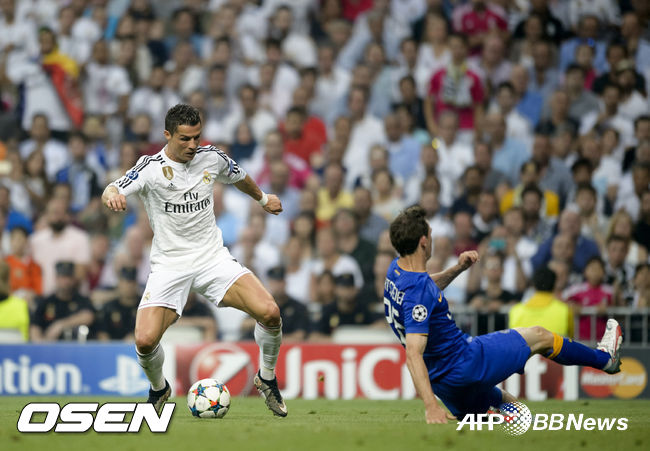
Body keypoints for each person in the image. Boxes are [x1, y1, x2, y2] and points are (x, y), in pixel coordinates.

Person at [101, 104, 287, 417]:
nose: (192, 145)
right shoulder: (150, 168)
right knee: (145, 340)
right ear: (167, 135)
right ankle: (159, 387)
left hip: (212, 258)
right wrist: (113, 197)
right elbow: (112, 188)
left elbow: (239, 176)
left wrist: (263, 198)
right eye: (184, 139)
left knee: (270, 312)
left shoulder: (211, 157)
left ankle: (266, 378)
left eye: (196, 137)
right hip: (170, 265)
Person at [384, 206, 622, 424]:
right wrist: (430, 407)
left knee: (513, 410)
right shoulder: (418, 292)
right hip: (465, 362)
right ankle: (605, 359)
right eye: (431, 234)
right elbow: (413, 353)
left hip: (444, 383)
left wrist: (458, 269)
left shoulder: (396, 270)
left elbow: (425, 287)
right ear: (423, 241)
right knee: (540, 336)